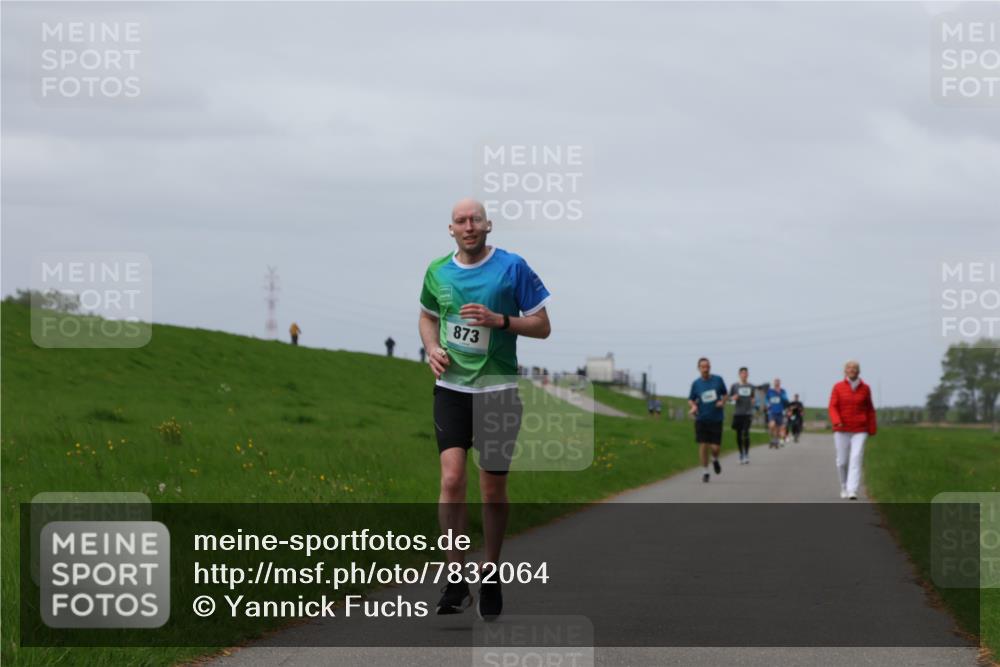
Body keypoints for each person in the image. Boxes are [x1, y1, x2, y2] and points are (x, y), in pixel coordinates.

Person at [418, 197, 552, 620]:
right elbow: (426, 316)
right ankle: (455, 577)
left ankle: (491, 571)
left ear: (488, 226)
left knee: (492, 489)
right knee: (452, 477)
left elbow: (543, 325)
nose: (469, 226)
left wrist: (502, 321)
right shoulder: (437, 271)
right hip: (452, 388)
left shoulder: (512, 267)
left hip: (498, 389)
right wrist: (432, 347)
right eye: (461, 220)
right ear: (451, 229)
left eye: (475, 219)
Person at [828, 360, 877, 500]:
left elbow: (870, 409)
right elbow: (832, 406)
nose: (852, 370)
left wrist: (872, 428)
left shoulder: (865, 388)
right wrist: (837, 421)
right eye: (849, 368)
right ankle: (843, 486)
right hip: (841, 429)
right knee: (842, 461)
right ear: (845, 371)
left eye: (855, 368)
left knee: (856, 458)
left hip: (860, 429)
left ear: (858, 371)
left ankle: (852, 490)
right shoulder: (838, 387)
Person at [688, 357, 728, 483]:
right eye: (703, 367)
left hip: (716, 418)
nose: (705, 369)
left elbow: (725, 394)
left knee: (715, 448)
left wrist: (722, 402)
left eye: (707, 367)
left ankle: (715, 459)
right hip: (702, 418)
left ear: (710, 367)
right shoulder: (696, 384)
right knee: (703, 445)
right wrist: (693, 406)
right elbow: (691, 399)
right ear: (699, 368)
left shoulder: (718, 380)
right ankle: (705, 471)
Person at [729, 367, 755, 464]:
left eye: (746, 373)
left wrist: (753, 400)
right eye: (742, 373)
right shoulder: (734, 386)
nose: (744, 375)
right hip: (738, 413)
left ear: (747, 375)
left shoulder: (751, 386)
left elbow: (753, 398)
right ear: (739, 374)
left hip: (748, 413)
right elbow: (728, 398)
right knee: (739, 435)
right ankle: (741, 453)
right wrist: (733, 398)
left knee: (745, 433)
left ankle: (746, 455)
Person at [765, 378, 789, 448]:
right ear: (774, 383)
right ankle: (773, 439)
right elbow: (766, 399)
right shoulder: (770, 391)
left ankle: (775, 440)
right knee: (772, 425)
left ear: (780, 383)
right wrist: (767, 404)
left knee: (778, 428)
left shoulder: (782, 391)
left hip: (780, 412)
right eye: (775, 382)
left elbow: (786, 400)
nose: (777, 383)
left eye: (778, 382)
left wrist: (780, 394)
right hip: (772, 412)